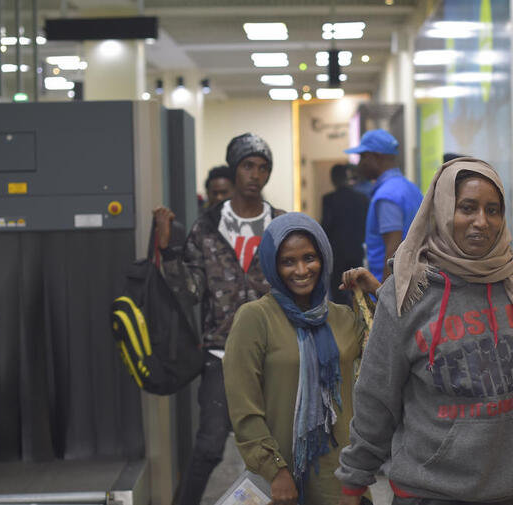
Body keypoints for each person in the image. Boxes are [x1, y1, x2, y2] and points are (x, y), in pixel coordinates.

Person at [335, 158, 513, 505]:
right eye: (467, 208)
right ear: (443, 209)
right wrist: (354, 482)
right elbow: (377, 396)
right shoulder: (408, 289)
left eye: (493, 210)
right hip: (433, 491)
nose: (482, 221)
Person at [154, 132, 285, 505]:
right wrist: (167, 252)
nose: (256, 175)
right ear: (234, 169)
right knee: (209, 446)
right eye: (248, 166)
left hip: (273, 353)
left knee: (281, 447)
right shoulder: (208, 226)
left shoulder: (280, 224)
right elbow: (191, 292)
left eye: (263, 168)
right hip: (220, 354)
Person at [223, 213, 371, 505]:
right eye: (288, 261)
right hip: (281, 481)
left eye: (309, 258)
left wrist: (375, 290)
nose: (301, 270)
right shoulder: (255, 318)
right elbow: (244, 407)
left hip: (342, 479)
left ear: (323, 258)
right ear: (273, 265)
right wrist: (275, 470)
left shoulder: (343, 318)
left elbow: (392, 349)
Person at [345, 129, 423, 282]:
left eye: (363, 157)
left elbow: (392, 252)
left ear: (376, 157)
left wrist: (384, 293)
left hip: (392, 286)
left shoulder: (387, 195)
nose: (360, 164)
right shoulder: (410, 188)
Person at [321, 164, 369, 306]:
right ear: (346, 177)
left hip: (337, 254)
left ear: (333, 179)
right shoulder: (362, 198)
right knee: (358, 292)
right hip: (356, 251)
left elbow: (326, 226)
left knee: (338, 293)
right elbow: (365, 225)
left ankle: (343, 318)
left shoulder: (329, 199)